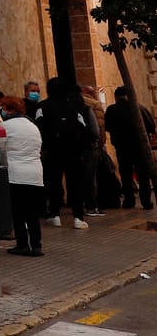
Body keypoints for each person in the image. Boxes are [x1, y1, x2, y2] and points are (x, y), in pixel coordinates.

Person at [35, 77, 97, 229]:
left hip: (52, 151)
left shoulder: (42, 107)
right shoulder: (76, 106)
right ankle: (78, 217)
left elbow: (38, 129)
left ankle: (55, 214)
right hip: (74, 151)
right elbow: (85, 129)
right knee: (75, 183)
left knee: (53, 182)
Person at [0, 96, 46, 256]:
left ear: (10, 109)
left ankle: (22, 244)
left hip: (15, 174)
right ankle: (37, 244)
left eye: (4, 107)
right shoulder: (32, 125)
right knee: (32, 212)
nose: (2, 111)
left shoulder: (5, 126)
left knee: (18, 212)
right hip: (35, 174)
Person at [105, 86, 155, 210]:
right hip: (140, 148)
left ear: (116, 97)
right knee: (143, 175)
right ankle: (146, 202)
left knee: (126, 175)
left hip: (122, 147)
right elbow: (151, 127)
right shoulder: (140, 108)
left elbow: (107, 127)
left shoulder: (112, 109)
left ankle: (129, 201)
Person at [79, 85, 107, 217]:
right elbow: (100, 126)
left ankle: (79, 204)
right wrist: (101, 143)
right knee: (91, 177)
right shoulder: (94, 104)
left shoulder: (70, 104)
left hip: (75, 146)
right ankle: (92, 205)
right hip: (91, 146)